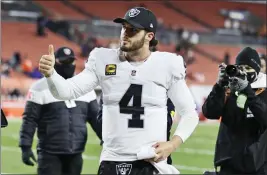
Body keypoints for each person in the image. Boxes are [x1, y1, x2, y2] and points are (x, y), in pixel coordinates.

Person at [39, 7, 199, 175]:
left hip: (150, 162)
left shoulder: (167, 64)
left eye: (133, 30)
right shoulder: (102, 59)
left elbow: (189, 113)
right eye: (124, 27)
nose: (125, 33)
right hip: (111, 160)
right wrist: (51, 74)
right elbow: (67, 92)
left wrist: (172, 144)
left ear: (149, 36)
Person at [19, 47, 102, 175]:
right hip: (49, 154)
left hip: (76, 153)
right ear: (55, 62)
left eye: (70, 62)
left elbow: (96, 118)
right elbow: (29, 119)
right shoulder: (39, 87)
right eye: (63, 62)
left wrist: (107, 139)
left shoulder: (85, 87)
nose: (68, 65)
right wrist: (25, 146)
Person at [202, 47, 267, 175]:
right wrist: (219, 86)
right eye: (240, 67)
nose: (243, 72)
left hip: (257, 166)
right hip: (229, 162)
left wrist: (247, 91)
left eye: (247, 68)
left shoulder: (264, 90)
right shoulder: (230, 88)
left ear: (257, 70)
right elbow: (210, 112)